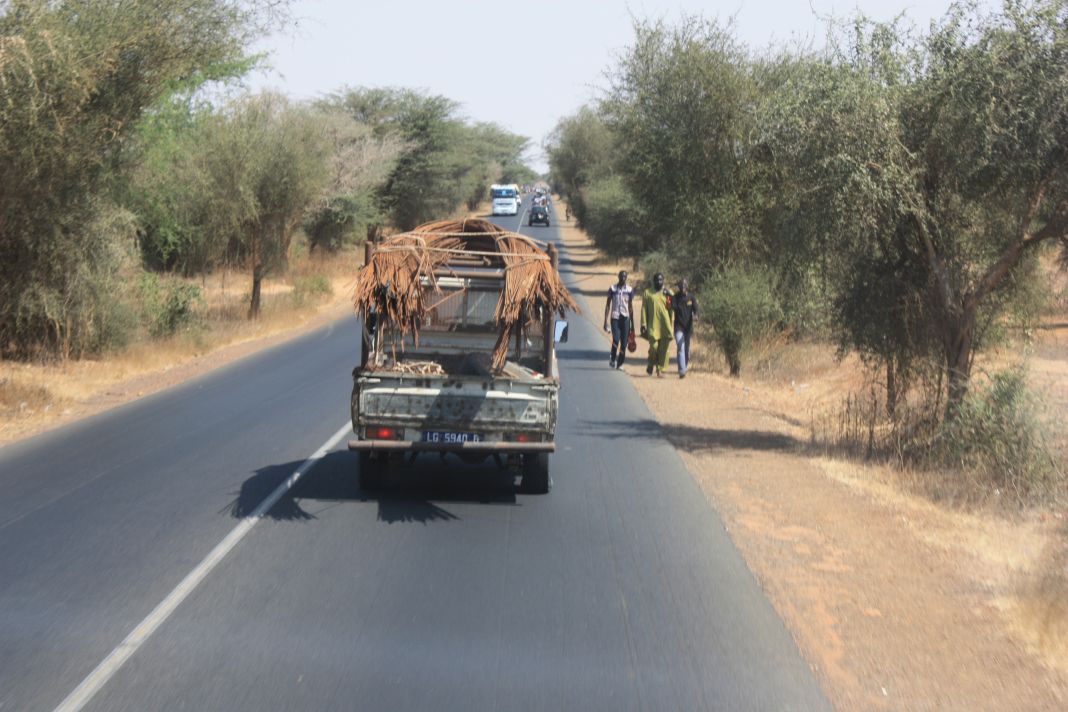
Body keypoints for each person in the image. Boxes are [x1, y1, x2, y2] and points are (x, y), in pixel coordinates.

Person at [640, 272, 674, 377]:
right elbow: (644, 309)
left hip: (665, 324)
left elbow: (672, 307)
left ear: (663, 281)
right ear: (653, 281)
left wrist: (669, 294)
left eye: (661, 280)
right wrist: (643, 324)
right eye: (657, 280)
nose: (659, 282)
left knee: (664, 349)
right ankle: (651, 363)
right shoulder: (647, 293)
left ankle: (660, 369)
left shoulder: (667, 293)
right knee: (654, 347)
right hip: (652, 325)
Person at [603, 270, 634, 369]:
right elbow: (608, 305)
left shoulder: (629, 290)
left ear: (626, 278)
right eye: (621, 276)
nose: (623, 278)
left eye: (625, 277)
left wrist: (632, 323)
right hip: (615, 317)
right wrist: (605, 321)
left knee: (624, 343)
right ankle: (612, 358)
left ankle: (620, 363)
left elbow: (630, 307)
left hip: (625, 318)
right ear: (618, 277)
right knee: (616, 339)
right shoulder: (612, 289)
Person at [672, 278, 698, 378]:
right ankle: (682, 371)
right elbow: (671, 306)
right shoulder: (675, 297)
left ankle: (685, 365)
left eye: (684, 286)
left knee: (686, 349)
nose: (683, 288)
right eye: (681, 286)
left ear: (687, 286)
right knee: (680, 347)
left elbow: (696, 309)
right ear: (679, 287)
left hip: (688, 327)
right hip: (678, 326)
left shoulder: (691, 297)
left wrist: (696, 316)